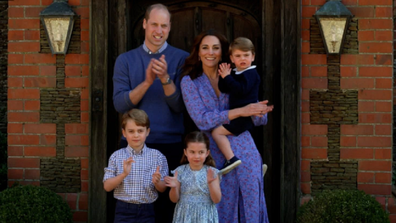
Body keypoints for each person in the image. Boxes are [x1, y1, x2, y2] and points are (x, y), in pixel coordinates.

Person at [180, 29, 273, 223]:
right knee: (219, 207)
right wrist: (240, 111)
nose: (210, 52)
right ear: (198, 52)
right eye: (205, 48)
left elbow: (257, 117)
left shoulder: (238, 75)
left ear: (222, 53)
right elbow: (201, 119)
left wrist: (258, 112)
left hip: (245, 148)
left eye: (216, 48)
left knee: (250, 202)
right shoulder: (190, 82)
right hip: (213, 153)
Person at [112, 3, 189, 222]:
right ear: (144, 24)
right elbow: (120, 104)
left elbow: (181, 106)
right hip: (133, 148)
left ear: (170, 27)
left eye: (164, 25)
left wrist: (165, 79)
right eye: (154, 24)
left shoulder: (182, 59)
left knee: (166, 212)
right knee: (133, 210)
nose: (159, 30)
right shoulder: (125, 60)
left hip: (171, 146)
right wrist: (147, 82)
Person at [103, 109, 168, 223]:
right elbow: (107, 187)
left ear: (147, 132)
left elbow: (162, 188)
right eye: (131, 131)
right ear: (124, 133)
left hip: (147, 210)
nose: (136, 135)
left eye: (140, 131)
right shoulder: (116, 156)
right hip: (123, 210)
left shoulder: (157, 156)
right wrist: (123, 174)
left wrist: (157, 182)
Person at [212, 37, 262, 174]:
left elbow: (241, 90)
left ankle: (231, 159)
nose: (242, 59)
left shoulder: (251, 73)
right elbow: (225, 88)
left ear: (253, 56)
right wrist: (223, 76)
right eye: (238, 56)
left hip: (244, 117)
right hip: (238, 115)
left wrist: (228, 77)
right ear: (232, 59)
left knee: (217, 132)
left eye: (246, 55)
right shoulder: (236, 72)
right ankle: (255, 166)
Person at [164, 131, 221, 223]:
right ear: (185, 152)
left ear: (207, 153)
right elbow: (174, 200)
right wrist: (174, 187)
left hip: (205, 216)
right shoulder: (180, 171)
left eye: (201, 152)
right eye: (192, 152)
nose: (197, 156)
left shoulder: (212, 172)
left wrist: (210, 183)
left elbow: (217, 199)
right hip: (184, 215)